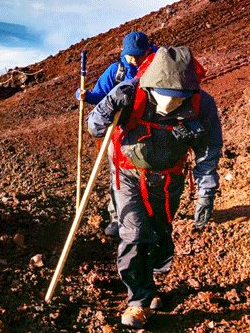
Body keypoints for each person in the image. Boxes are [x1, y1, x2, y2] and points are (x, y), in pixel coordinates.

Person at [87, 46, 222, 329]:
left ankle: (151, 283)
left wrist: (206, 191)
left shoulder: (202, 104)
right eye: (166, 97)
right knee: (134, 233)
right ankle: (137, 300)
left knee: (160, 233)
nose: (171, 105)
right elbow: (95, 126)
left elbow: (208, 149)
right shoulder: (129, 92)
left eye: (178, 100)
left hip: (168, 180)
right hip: (129, 175)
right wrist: (107, 109)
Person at [76, 31, 155, 237]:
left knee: (150, 173)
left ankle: (149, 215)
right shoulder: (117, 71)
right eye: (131, 55)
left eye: (139, 55)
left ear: (147, 50)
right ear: (124, 52)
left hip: (149, 131)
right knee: (118, 176)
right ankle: (117, 217)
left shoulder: (157, 66)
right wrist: (85, 95)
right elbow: (100, 95)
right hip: (119, 132)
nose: (135, 60)